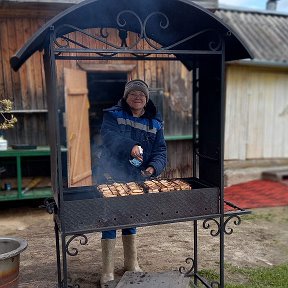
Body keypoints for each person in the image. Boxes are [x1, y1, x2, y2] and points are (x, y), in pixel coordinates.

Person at [97, 79, 167, 286]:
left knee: (131, 218)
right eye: (133, 94)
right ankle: (108, 270)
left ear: (147, 99)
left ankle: (131, 263)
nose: (137, 97)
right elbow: (109, 137)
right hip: (110, 173)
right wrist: (131, 146)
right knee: (110, 219)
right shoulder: (113, 115)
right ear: (126, 97)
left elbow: (161, 150)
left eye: (141, 94)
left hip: (137, 177)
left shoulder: (155, 122)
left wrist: (154, 167)